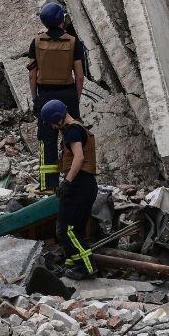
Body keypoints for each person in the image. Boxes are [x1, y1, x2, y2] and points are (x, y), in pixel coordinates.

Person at [28, 2, 86, 192]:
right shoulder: (73, 42)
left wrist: (35, 98)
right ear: (62, 19)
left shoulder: (36, 43)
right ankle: (74, 180)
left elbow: (32, 74)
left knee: (46, 141)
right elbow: (79, 75)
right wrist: (75, 98)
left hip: (45, 94)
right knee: (73, 138)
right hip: (67, 93)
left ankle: (48, 185)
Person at [40, 99, 98, 280]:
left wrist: (67, 182)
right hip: (84, 184)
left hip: (79, 185)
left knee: (67, 230)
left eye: (51, 123)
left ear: (57, 118)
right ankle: (72, 265)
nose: (52, 127)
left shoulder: (72, 131)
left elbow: (79, 158)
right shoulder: (78, 128)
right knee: (74, 229)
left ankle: (87, 267)